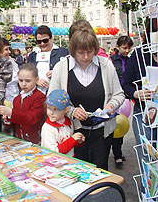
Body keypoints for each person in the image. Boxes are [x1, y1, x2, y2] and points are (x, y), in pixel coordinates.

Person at [48, 29, 125, 170]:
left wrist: (110, 106)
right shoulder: (62, 67)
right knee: (77, 168)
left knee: (100, 168)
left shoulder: (106, 65)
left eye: (90, 52)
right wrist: (71, 111)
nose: (85, 57)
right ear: (73, 51)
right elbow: (52, 98)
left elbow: (119, 94)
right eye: (81, 53)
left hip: (102, 130)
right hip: (74, 130)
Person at [122, 17, 158, 146]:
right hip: (145, 113)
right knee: (147, 155)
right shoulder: (139, 55)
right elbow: (125, 83)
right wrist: (135, 93)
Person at [0, 63, 46, 144]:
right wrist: (7, 118)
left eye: (28, 81)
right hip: (19, 140)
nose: (24, 84)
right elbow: (14, 124)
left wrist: (11, 113)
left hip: (36, 141)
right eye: (20, 80)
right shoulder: (17, 99)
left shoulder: (40, 97)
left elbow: (32, 119)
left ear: (36, 80)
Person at [110, 35, 133, 168]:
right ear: (118, 47)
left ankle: (118, 153)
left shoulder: (131, 61)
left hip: (126, 99)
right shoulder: (111, 61)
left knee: (122, 125)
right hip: (114, 98)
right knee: (113, 126)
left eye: (129, 48)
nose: (127, 50)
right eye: (124, 47)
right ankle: (114, 152)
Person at [41, 89, 85, 157]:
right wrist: (73, 139)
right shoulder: (48, 128)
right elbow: (54, 152)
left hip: (69, 160)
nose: (51, 113)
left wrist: (78, 141)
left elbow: (67, 142)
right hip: (52, 162)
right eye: (49, 108)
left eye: (56, 109)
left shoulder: (68, 122)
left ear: (66, 110)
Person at [27, 25, 68, 93]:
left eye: (45, 40)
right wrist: (35, 80)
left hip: (56, 94)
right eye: (39, 41)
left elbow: (70, 71)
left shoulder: (63, 52)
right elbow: (27, 73)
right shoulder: (32, 55)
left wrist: (57, 72)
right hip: (36, 94)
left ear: (51, 38)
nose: (42, 44)